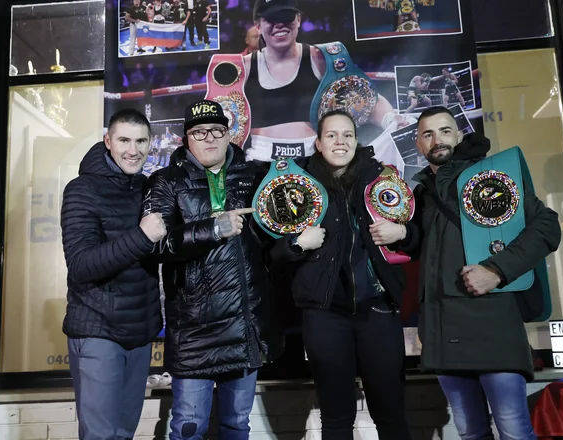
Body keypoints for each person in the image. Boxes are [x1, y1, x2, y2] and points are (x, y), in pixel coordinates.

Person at [412, 106, 561, 439]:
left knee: (513, 431)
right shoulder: (421, 195)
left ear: (460, 135)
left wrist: (496, 270)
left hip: (495, 330)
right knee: (470, 434)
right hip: (444, 336)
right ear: (419, 145)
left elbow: (547, 226)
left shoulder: (489, 176)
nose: (437, 139)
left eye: (445, 130)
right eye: (428, 134)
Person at [269, 110, 417, 440]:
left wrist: (402, 233)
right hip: (324, 315)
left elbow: (417, 237)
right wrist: (297, 243)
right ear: (318, 143)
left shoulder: (383, 179)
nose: (341, 141)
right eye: (332, 135)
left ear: (356, 141)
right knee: (336, 418)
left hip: (377, 309)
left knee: (390, 414)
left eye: (348, 135)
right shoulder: (296, 185)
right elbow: (274, 252)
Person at [145, 99, 284, 440]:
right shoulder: (165, 181)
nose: (209, 138)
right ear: (186, 139)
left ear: (228, 134)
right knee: (188, 429)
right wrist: (212, 229)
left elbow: (272, 238)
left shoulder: (254, 176)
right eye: (199, 132)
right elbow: (155, 246)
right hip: (194, 331)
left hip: (244, 324)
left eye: (217, 130)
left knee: (236, 426)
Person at [60, 108, 166, 439]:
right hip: (98, 331)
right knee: (101, 436)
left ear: (151, 144)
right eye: (123, 140)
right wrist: (141, 236)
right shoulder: (81, 189)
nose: (132, 150)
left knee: (123, 433)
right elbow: (81, 266)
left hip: (139, 332)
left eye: (140, 141)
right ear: (108, 141)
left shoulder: (146, 188)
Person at [237, 0, 409, 165]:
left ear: (298, 19)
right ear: (258, 25)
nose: (279, 24)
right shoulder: (241, 67)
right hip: (260, 163)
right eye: (271, 19)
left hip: (318, 162)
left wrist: (390, 119)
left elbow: (367, 99)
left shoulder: (322, 59)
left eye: (286, 17)